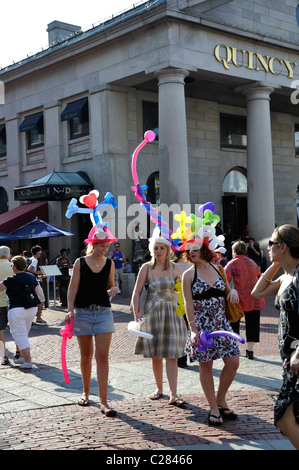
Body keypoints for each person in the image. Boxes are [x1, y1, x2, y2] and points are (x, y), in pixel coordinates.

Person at [181, 237, 240, 425]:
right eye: (188, 249)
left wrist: (233, 292)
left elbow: (229, 290)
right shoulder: (189, 275)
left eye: (195, 248)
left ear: (204, 248)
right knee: (206, 366)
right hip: (201, 327)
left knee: (233, 362)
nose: (191, 252)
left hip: (222, 324)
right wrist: (193, 330)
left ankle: (221, 398)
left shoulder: (219, 268)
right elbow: (188, 304)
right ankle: (213, 407)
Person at [251, 224, 299, 450]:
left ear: (284, 247)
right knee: (290, 418)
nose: (267, 247)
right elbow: (257, 292)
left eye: (272, 244)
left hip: (298, 358)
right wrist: (275, 265)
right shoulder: (285, 278)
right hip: (289, 361)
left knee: (283, 416)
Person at [132, 228, 187, 407]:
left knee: (171, 355)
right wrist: (136, 314)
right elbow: (137, 291)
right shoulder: (146, 268)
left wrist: (185, 308)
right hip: (153, 314)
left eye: (162, 248)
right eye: (156, 248)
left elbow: (184, 291)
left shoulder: (176, 268)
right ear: (152, 249)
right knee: (156, 355)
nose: (158, 251)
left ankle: (174, 393)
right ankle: (159, 389)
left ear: (168, 250)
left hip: (172, 315)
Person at [66, 229, 119, 416]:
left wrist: (113, 288)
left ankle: (104, 402)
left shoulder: (110, 263)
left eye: (106, 246)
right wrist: (70, 309)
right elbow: (73, 288)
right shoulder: (80, 262)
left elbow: (110, 284)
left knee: (102, 356)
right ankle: (86, 392)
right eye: (101, 245)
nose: (104, 249)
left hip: (104, 312)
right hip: (83, 313)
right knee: (86, 356)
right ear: (92, 244)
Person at [225, 241, 265, 360]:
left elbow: (225, 281)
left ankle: (235, 348)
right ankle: (250, 350)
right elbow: (259, 277)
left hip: (238, 299)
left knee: (235, 323)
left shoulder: (231, 264)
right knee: (252, 324)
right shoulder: (252, 262)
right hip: (254, 298)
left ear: (234, 251)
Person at [0, 255, 40, 369]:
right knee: (24, 333)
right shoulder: (31, 277)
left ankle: (28, 361)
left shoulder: (12, 279)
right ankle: (22, 357)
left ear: (15, 267)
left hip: (16, 309)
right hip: (31, 308)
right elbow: (38, 293)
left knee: (19, 334)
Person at [27, 245, 46, 324]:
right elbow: (29, 269)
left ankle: (30, 319)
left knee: (31, 300)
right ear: (37, 253)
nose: (41, 254)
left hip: (28, 282)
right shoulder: (35, 260)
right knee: (41, 299)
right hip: (34, 282)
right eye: (40, 253)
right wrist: (37, 272)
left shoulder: (29, 259)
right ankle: (38, 317)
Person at [0, 246, 13, 365]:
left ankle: (4, 355)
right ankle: (19, 352)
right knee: (16, 329)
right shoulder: (12, 266)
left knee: (1, 330)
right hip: (13, 302)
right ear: (8, 255)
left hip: (0, 303)